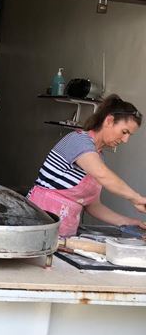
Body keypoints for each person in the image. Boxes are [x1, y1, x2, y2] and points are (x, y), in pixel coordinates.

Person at [28, 94, 146, 237]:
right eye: (124, 132)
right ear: (109, 120)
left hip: (64, 233)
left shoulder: (99, 157)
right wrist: (137, 198)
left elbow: (93, 205)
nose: (125, 140)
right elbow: (103, 175)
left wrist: (127, 221)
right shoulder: (78, 140)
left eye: (129, 135)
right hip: (38, 223)